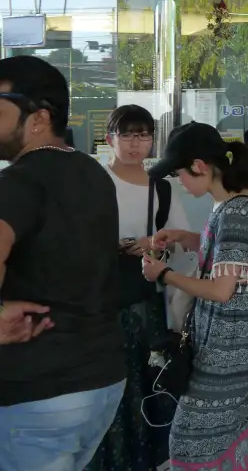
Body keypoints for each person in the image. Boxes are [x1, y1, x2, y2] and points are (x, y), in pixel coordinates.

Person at [0, 56, 125, 470]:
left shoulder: (19, 182)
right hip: (100, 380)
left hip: (38, 390)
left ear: (37, 118)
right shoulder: (94, 173)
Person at [141, 122, 248, 471]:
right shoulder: (236, 203)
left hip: (226, 350)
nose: (179, 181)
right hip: (233, 345)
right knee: (224, 432)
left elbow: (221, 289)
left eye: (180, 173)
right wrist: (187, 236)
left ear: (199, 166)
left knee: (189, 443)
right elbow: (231, 259)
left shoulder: (234, 215)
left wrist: (164, 274)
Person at [86, 105, 192, 471]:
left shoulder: (161, 188)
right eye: (127, 134)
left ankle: (143, 458)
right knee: (107, 386)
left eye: (143, 135)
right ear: (110, 137)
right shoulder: (94, 182)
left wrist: (154, 242)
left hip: (145, 302)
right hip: (101, 303)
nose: (135, 143)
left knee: (145, 382)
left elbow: (179, 243)